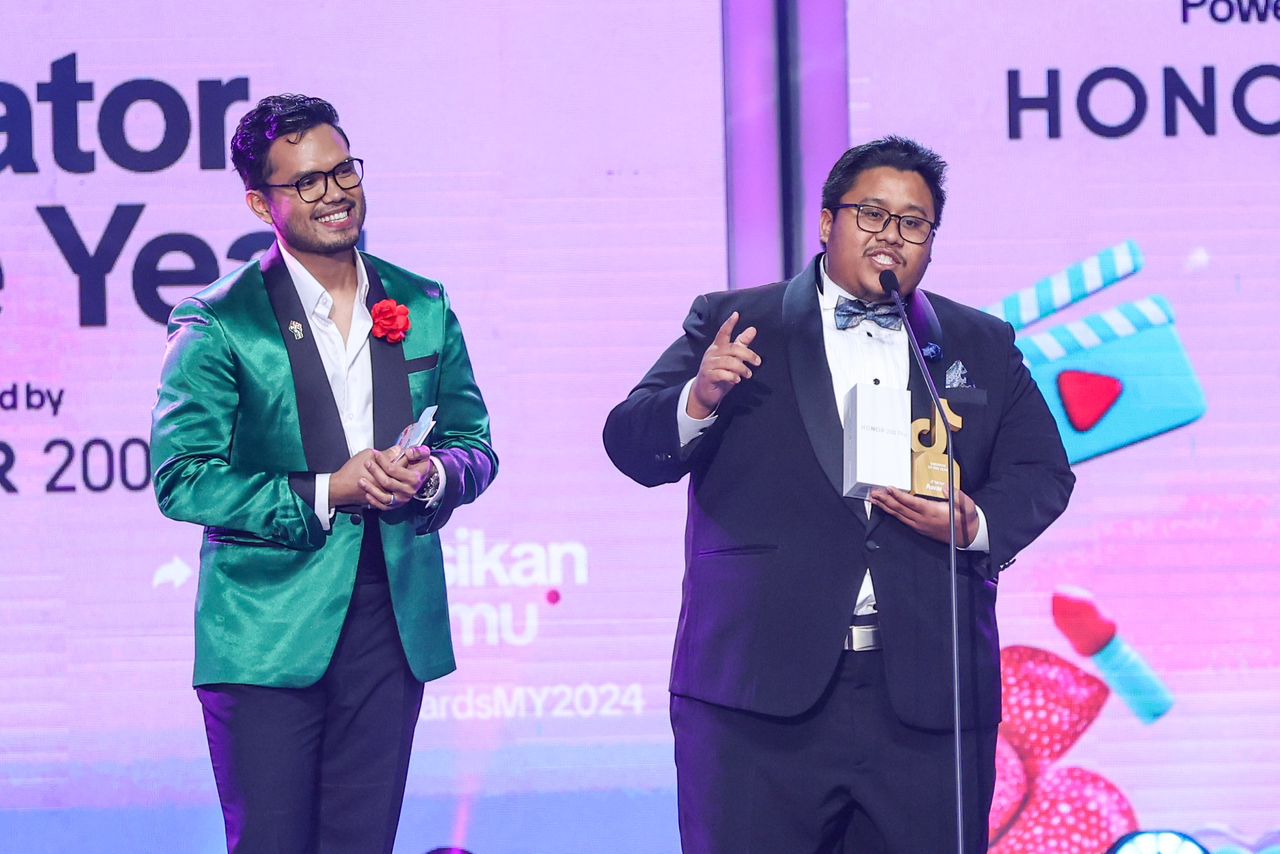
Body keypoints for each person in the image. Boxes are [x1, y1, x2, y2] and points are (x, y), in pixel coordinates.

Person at [603, 136, 1073, 853]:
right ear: (827, 222)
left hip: (929, 699)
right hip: (756, 696)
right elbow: (631, 444)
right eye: (872, 215)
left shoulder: (977, 342)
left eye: (913, 223)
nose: (892, 236)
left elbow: (1043, 472)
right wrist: (698, 398)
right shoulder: (737, 321)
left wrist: (975, 522)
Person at [150, 94, 497, 854]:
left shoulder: (422, 302)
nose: (334, 193)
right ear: (260, 203)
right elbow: (182, 477)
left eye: (343, 171)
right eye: (306, 181)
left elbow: (474, 444)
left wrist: (433, 477)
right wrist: (328, 489)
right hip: (265, 630)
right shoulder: (221, 319)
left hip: (390, 619)